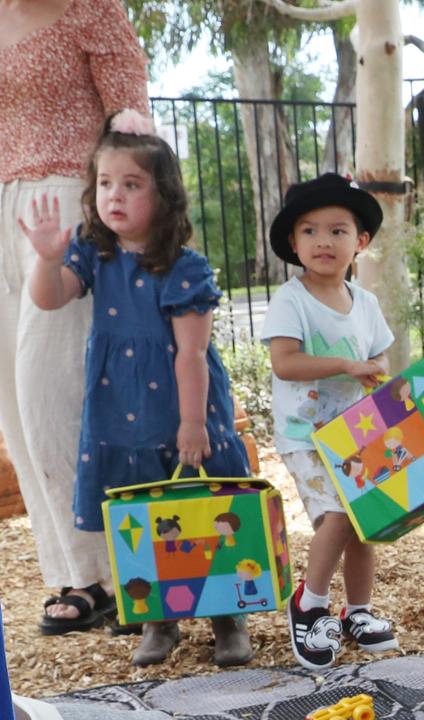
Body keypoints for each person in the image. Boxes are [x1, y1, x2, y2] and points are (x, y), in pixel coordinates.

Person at [21, 110, 254, 667]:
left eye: (131, 184)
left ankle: (228, 618)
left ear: (164, 196)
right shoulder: (94, 254)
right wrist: (47, 260)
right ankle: (158, 619)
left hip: (181, 412)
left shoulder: (183, 267)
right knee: (144, 517)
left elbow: (192, 353)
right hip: (121, 412)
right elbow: (49, 299)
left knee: (204, 509)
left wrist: (193, 423)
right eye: (105, 183)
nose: (114, 195)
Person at [0, 0, 149, 635]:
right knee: (13, 406)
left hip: (67, 203)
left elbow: (134, 126)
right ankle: (76, 572)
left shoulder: (90, 9)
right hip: (1, 209)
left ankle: (121, 571)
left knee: (50, 394)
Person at [261, 173, 398, 671]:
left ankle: (357, 611)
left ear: (360, 242)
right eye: (310, 230)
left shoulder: (366, 303)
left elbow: (380, 359)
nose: (323, 241)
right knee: (337, 515)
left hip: (355, 437)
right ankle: (310, 603)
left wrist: (376, 372)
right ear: (294, 244)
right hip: (306, 436)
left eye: (337, 230)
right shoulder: (291, 299)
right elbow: (285, 363)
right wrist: (345, 365)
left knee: (363, 524)